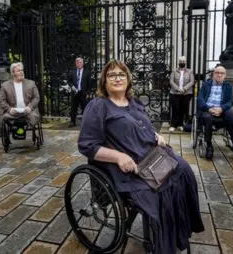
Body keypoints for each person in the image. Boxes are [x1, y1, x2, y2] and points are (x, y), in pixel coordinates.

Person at [77, 59, 204, 254]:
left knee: (184, 171)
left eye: (121, 74)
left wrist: (155, 134)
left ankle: (178, 231)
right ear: (104, 81)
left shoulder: (134, 102)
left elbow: (141, 124)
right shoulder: (98, 106)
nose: (117, 78)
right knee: (161, 189)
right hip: (129, 168)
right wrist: (118, 156)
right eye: (112, 75)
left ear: (128, 79)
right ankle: (162, 241)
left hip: (154, 156)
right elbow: (87, 145)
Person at [197, 65, 233, 159]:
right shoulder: (206, 85)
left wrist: (221, 109)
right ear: (213, 74)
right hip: (208, 109)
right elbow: (200, 99)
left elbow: (230, 101)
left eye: (222, 73)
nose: (219, 75)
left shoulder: (228, 86)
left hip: (221, 109)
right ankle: (209, 146)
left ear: (225, 75)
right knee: (208, 117)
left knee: (231, 115)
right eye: (217, 73)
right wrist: (209, 109)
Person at [0, 62, 40, 126]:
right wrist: (9, 109)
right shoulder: (5, 86)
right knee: (5, 118)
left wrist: (30, 107)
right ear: (13, 73)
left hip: (28, 112)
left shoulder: (31, 83)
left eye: (22, 70)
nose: (21, 72)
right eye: (18, 71)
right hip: (13, 113)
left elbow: (36, 97)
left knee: (34, 117)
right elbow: (2, 100)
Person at [169, 56, 194, 132]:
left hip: (186, 93)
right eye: (181, 61)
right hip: (175, 93)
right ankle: (173, 125)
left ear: (186, 62)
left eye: (183, 61)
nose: (182, 63)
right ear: (178, 62)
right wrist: (177, 88)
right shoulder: (174, 71)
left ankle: (180, 124)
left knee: (182, 109)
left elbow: (192, 81)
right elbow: (171, 81)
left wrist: (184, 89)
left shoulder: (190, 71)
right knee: (175, 108)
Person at [68, 57, 93, 127]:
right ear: (75, 63)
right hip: (75, 92)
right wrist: (71, 86)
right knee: (73, 108)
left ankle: (85, 122)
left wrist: (88, 93)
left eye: (80, 62)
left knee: (85, 108)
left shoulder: (87, 72)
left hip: (83, 93)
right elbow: (69, 81)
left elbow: (89, 84)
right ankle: (72, 122)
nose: (78, 64)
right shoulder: (73, 71)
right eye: (77, 62)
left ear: (82, 63)